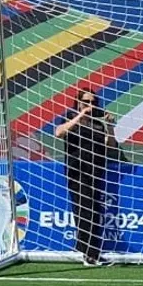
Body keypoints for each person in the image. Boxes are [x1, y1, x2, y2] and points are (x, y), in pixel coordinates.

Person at [54, 88, 118, 266]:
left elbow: (110, 146)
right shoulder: (70, 117)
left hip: (95, 171)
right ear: (79, 102)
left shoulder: (98, 124)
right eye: (86, 102)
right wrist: (79, 116)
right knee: (85, 210)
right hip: (77, 171)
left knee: (95, 212)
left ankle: (90, 251)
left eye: (92, 102)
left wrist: (110, 127)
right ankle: (89, 254)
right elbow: (59, 133)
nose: (89, 106)